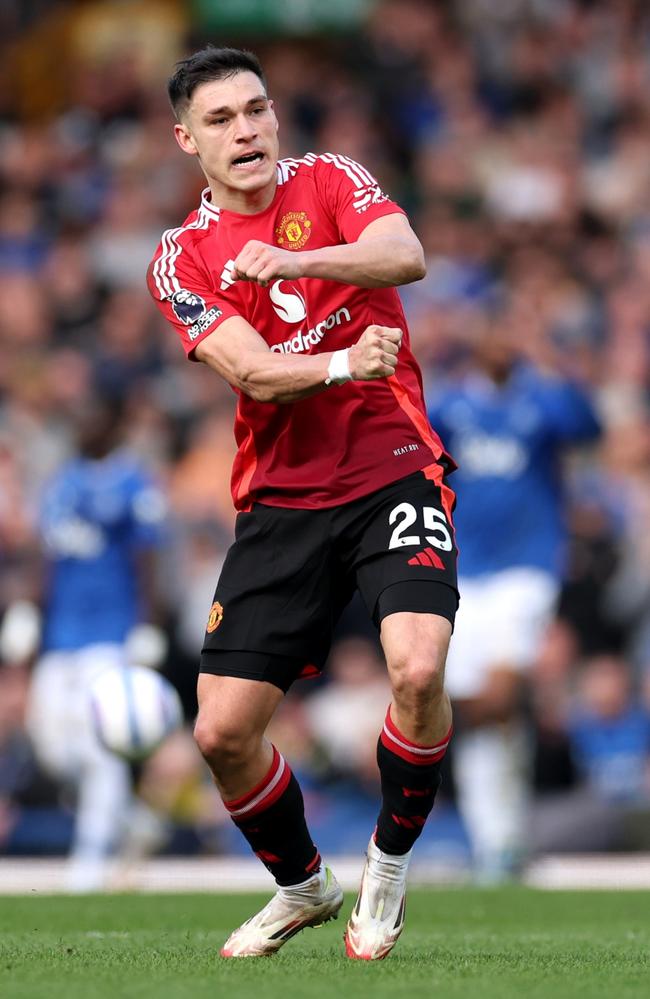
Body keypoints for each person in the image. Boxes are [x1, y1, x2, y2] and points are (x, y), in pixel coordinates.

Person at [147, 46, 458, 961]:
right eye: (222, 119)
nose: (246, 130)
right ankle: (304, 886)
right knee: (221, 731)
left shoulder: (331, 179)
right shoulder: (178, 257)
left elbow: (406, 255)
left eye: (257, 109)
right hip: (282, 498)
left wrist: (307, 255)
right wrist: (337, 359)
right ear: (186, 140)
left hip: (393, 463)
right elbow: (249, 370)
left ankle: (387, 868)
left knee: (416, 667)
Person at [427, 319, 601, 880]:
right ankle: (496, 841)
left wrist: (549, 362)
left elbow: (587, 427)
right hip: (465, 569)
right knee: (477, 711)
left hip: (528, 567)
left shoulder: (540, 399)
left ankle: (501, 838)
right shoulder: (452, 405)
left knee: (497, 695)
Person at [25, 395, 168, 891]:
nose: (83, 424)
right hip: (60, 633)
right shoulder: (60, 483)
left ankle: (89, 861)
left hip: (110, 632)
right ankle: (132, 822)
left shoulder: (133, 482)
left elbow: (147, 559)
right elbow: (44, 556)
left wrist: (146, 623)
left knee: (99, 747)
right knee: (53, 748)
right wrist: (28, 611)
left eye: (93, 415)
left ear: (112, 424)